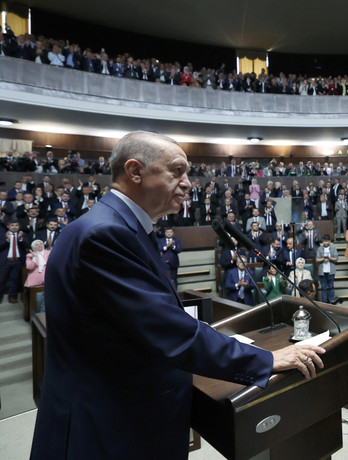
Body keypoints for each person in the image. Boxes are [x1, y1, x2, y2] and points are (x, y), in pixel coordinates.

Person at [31, 131, 324, 459]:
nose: (187, 183)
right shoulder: (107, 234)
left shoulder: (117, 225)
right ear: (135, 171)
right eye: (176, 171)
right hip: (106, 426)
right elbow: (165, 331)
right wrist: (266, 360)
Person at [25, 239, 49, 313]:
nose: (39, 246)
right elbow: (29, 267)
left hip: (48, 279)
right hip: (35, 280)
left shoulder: (49, 253)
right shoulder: (30, 255)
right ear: (33, 247)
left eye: (40, 244)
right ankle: (38, 314)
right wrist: (35, 258)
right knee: (38, 300)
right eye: (36, 245)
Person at [315, 235, 338, 304]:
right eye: (324, 241)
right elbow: (317, 260)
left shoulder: (333, 248)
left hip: (331, 270)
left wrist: (329, 258)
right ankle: (324, 302)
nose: (325, 242)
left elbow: (336, 259)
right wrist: (324, 258)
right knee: (323, 287)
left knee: (331, 286)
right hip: (322, 271)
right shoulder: (320, 249)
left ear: (329, 241)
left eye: (327, 241)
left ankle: (331, 301)